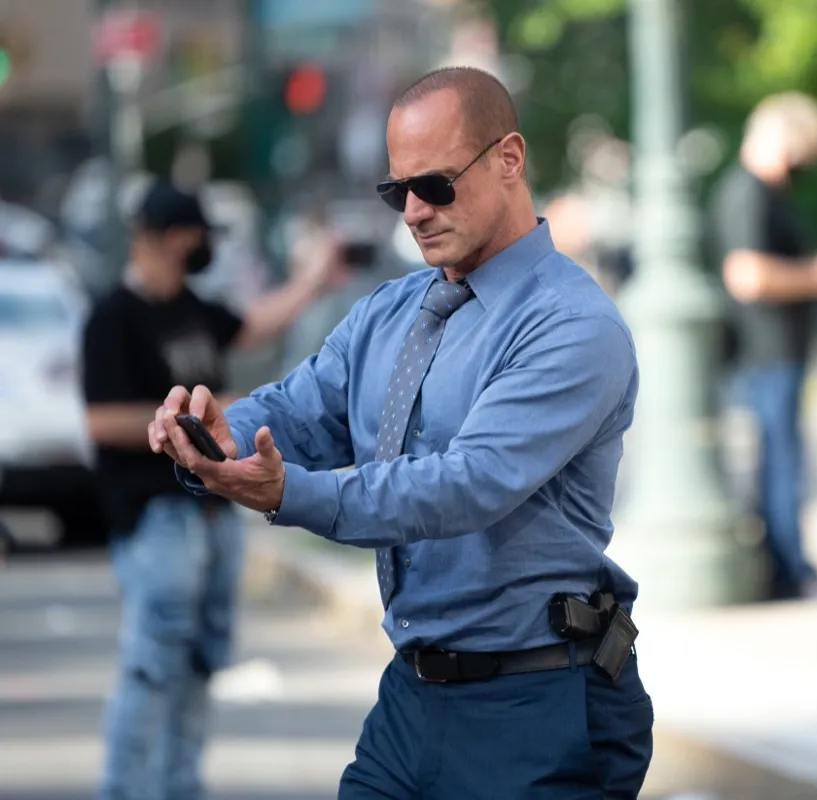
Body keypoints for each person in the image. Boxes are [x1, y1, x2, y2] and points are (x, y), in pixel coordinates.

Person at [148, 66, 654, 800]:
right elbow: (297, 410)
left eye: (436, 185)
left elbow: (466, 484)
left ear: (509, 159)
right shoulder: (392, 311)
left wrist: (290, 495)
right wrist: (214, 439)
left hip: (539, 702)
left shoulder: (572, 325)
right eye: (396, 191)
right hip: (411, 697)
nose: (413, 211)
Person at [85, 180, 340, 800]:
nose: (204, 246)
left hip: (211, 514)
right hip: (155, 518)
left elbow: (252, 326)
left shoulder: (192, 308)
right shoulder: (113, 316)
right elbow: (99, 420)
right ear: (173, 237)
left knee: (201, 663)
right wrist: (181, 422)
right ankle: (123, 789)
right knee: (152, 667)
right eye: (197, 235)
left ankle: (177, 788)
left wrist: (314, 279)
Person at [709, 91, 817, 599]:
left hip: (781, 350)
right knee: (779, 463)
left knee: (782, 461)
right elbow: (747, 276)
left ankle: (788, 565)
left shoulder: (766, 194)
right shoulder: (746, 193)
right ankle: (788, 569)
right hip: (766, 350)